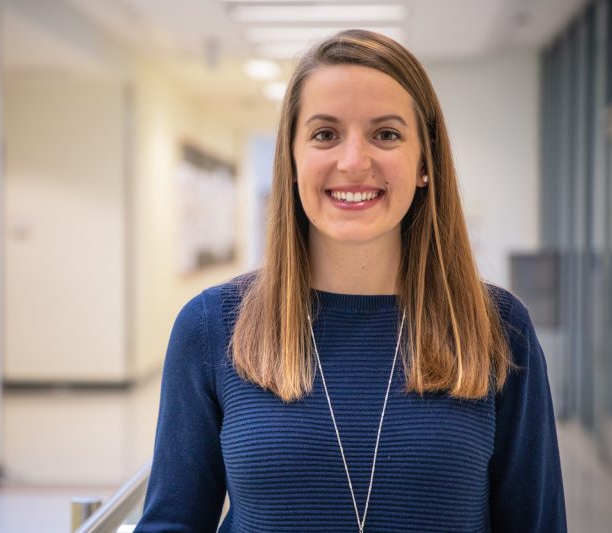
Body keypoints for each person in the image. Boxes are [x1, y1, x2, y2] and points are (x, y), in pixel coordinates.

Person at [134, 29, 566, 532]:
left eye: (386, 134)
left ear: (425, 161)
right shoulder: (211, 327)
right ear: (291, 161)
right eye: (324, 134)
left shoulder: (497, 327)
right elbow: (173, 523)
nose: (354, 161)